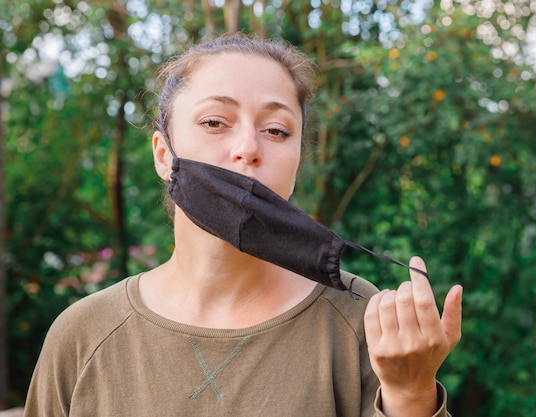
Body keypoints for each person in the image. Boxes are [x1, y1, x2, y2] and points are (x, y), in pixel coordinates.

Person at [23, 32, 462, 417]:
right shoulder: (82, 334)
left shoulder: (366, 321)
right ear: (163, 154)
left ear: (297, 162)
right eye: (215, 122)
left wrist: (409, 393)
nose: (248, 148)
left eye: (276, 130)